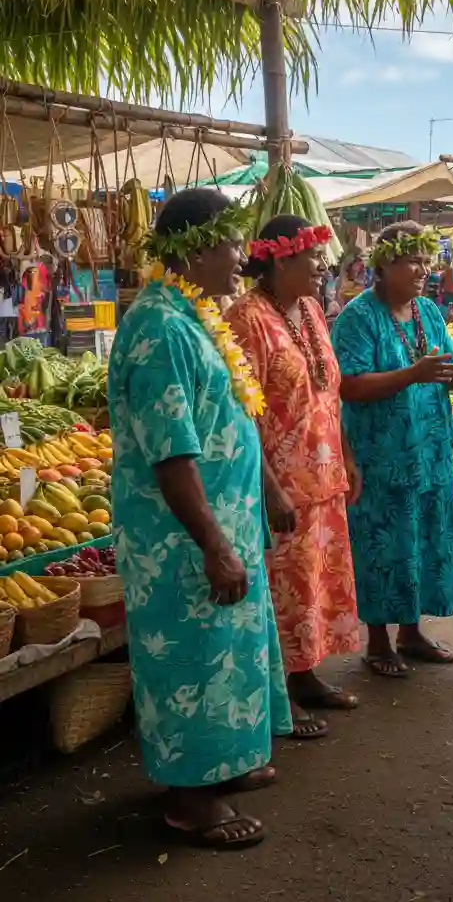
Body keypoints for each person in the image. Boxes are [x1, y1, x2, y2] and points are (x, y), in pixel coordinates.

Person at [108, 188, 291, 848]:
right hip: (179, 539)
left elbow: (231, 416)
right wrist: (214, 544)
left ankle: (224, 765)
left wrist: (267, 490)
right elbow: (171, 452)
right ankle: (190, 801)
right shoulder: (159, 329)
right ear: (195, 248)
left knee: (227, 655)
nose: (241, 257)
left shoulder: (194, 316)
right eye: (233, 244)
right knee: (192, 665)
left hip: (225, 520)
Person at [227, 215, 362, 736]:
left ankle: (305, 677)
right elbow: (244, 414)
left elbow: (330, 391)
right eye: (312, 256)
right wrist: (269, 486)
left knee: (312, 588)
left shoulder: (308, 310)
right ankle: (279, 692)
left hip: (323, 477)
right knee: (282, 590)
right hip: (281, 485)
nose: (323, 266)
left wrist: (346, 454)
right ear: (281, 260)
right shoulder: (246, 320)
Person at [332, 222, 453, 677]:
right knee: (382, 544)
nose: (423, 270)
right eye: (412, 260)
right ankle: (377, 641)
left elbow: (440, 367)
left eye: (425, 260)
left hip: (429, 451)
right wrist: (411, 374)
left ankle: (411, 632)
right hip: (380, 457)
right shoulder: (358, 318)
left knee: (420, 540)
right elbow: (349, 385)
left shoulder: (427, 312)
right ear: (384, 264)